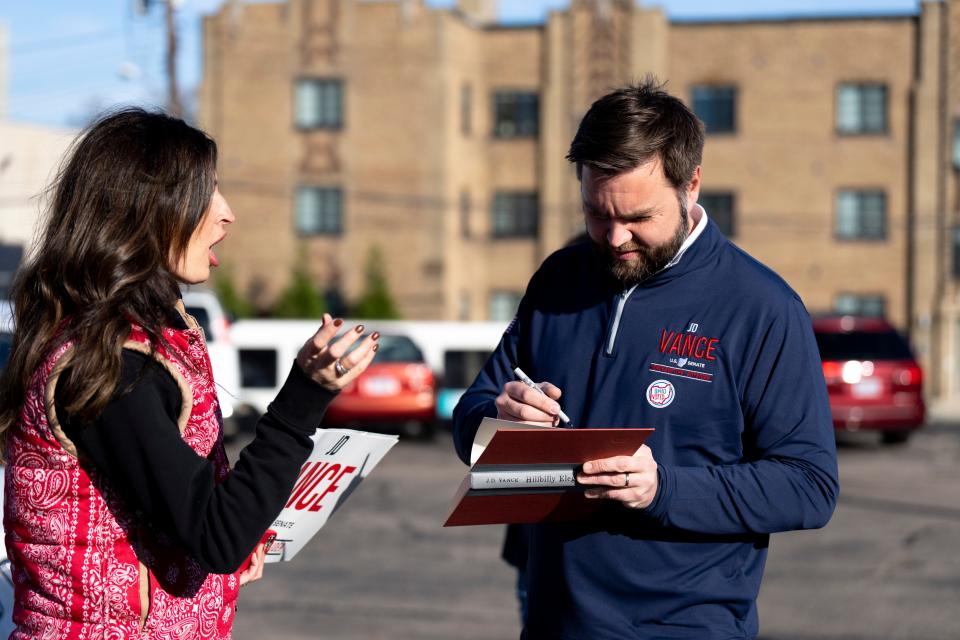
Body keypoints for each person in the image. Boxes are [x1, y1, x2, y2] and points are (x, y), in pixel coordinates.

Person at [452, 79, 839, 640]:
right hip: (553, 623)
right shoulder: (560, 279)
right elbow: (470, 423)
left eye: (637, 218)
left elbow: (809, 486)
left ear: (691, 185)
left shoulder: (761, 308)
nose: (613, 238)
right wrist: (500, 420)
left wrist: (664, 490)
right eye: (596, 214)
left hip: (684, 626)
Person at [0, 108, 378, 639]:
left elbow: (191, 518)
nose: (227, 214)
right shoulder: (105, 363)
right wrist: (304, 397)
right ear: (146, 209)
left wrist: (240, 532)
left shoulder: (136, 337)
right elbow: (216, 533)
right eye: (207, 193)